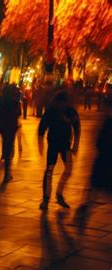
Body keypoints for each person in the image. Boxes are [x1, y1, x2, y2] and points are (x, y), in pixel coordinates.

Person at [38, 91, 81, 210]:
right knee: (50, 170)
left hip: (65, 146)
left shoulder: (70, 112)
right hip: (53, 144)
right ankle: (46, 198)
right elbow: (42, 128)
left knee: (68, 169)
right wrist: (40, 143)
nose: (62, 105)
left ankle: (59, 193)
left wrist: (76, 144)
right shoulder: (51, 112)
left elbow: (77, 127)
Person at [75, 98, 112, 228]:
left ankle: (83, 209)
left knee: (93, 188)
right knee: (94, 188)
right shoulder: (108, 122)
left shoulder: (106, 121)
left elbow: (98, 141)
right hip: (105, 160)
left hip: (102, 159)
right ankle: (83, 210)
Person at [0, 86, 21, 182]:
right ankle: (7, 173)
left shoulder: (0, 101)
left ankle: (7, 172)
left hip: (2, 127)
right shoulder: (14, 102)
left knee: (6, 145)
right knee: (9, 148)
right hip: (11, 127)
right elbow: (19, 113)